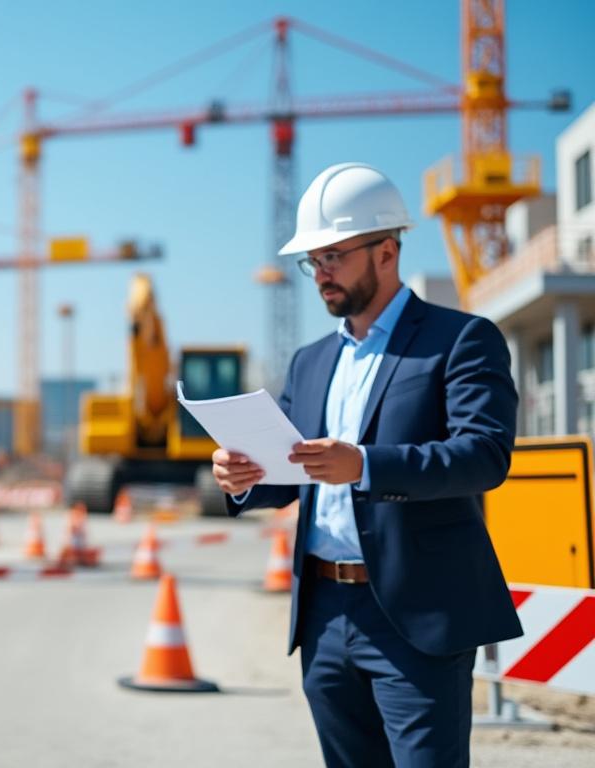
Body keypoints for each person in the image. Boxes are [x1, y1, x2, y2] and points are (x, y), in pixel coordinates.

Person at [212, 162, 520, 767]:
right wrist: (243, 478)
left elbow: (483, 456)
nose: (320, 273)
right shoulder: (310, 361)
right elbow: (289, 469)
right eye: (313, 261)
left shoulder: (460, 340)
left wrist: (365, 465)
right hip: (325, 615)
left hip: (416, 614)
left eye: (333, 256)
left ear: (386, 250)